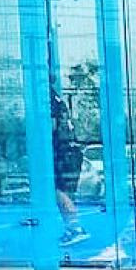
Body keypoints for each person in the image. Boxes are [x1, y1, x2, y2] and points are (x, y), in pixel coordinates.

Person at [51, 94, 88, 247]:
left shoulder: (49, 101)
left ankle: (75, 229)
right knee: (62, 193)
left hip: (64, 154)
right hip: (68, 153)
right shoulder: (57, 100)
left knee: (59, 192)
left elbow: (53, 126)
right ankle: (72, 228)